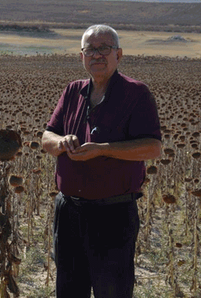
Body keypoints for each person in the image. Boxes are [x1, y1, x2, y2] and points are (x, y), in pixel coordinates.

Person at [41, 24, 162, 298]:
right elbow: (46, 136)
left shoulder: (136, 94)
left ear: (118, 54)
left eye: (104, 48)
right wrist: (62, 142)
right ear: (81, 57)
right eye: (90, 49)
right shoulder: (73, 91)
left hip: (113, 214)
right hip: (69, 211)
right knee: (69, 290)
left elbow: (152, 147)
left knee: (113, 291)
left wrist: (103, 149)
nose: (97, 55)